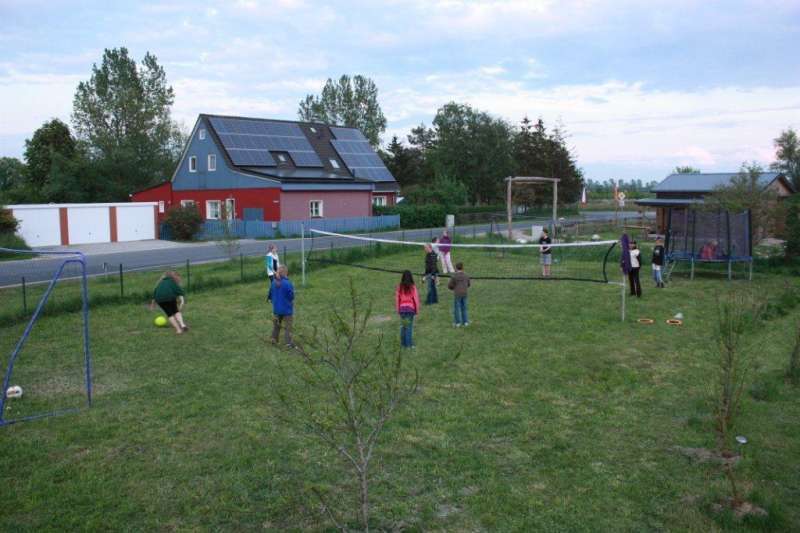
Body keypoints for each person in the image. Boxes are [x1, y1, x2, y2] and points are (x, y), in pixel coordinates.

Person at [268, 265, 295, 347]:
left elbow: (270, 294)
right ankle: (288, 343)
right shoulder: (287, 283)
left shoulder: (273, 283)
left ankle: (274, 339)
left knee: (276, 325)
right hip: (287, 309)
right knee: (288, 326)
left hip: (276, 309)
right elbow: (291, 296)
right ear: (286, 273)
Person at [395, 270, 420, 348]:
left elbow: (397, 299)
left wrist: (398, 309)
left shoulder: (400, 287)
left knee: (403, 326)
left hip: (402, 308)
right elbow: (416, 299)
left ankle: (403, 344)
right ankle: (409, 345)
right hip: (410, 309)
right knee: (409, 327)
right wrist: (417, 309)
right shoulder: (412, 287)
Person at [448, 262, 471, 327]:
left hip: (457, 294)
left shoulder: (454, 276)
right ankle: (465, 322)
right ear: (463, 268)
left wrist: (453, 288)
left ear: (456, 268)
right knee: (464, 308)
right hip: (465, 293)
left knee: (457, 308)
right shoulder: (466, 275)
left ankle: (457, 323)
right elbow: (469, 284)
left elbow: (450, 285)